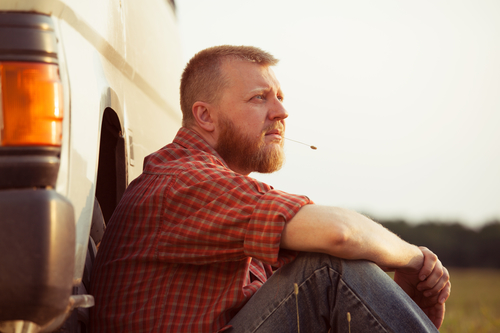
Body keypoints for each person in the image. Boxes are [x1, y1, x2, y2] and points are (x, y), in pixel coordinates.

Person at [90, 45, 451, 332]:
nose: (281, 112)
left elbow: (326, 309)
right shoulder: (184, 181)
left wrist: (405, 300)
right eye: (259, 98)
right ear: (205, 116)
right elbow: (340, 234)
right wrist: (416, 260)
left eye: (279, 96)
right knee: (326, 267)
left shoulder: (224, 191)